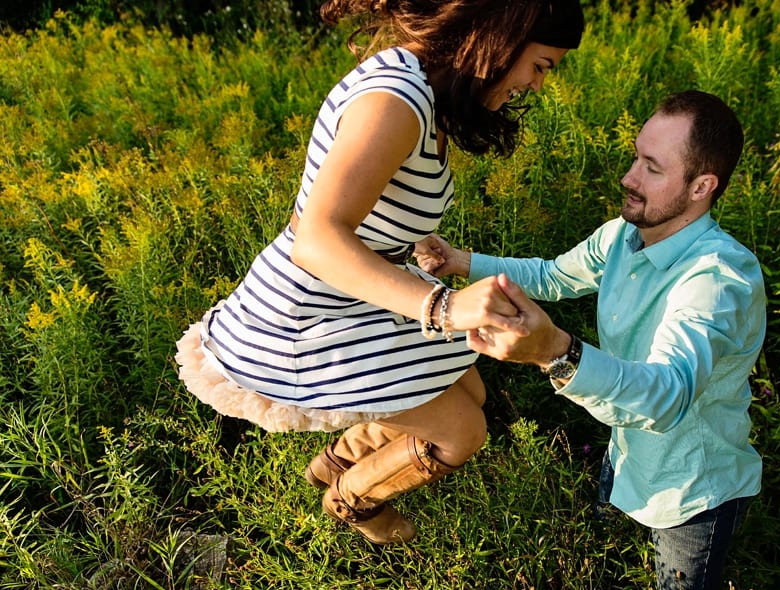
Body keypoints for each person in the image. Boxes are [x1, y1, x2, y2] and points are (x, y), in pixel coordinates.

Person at [174, 0, 585, 546]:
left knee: (468, 387)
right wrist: (443, 307)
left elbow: (369, 195)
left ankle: (333, 466)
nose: (535, 85)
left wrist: (409, 237)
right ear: (503, 34)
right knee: (464, 432)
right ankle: (353, 504)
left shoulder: (422, 86)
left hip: (353, 291)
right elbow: (317, 238)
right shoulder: (396, 99)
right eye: (541, 65)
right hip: (308, 309)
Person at [415, 90, 766, 590]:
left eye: (652, 168)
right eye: (635, 157)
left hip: (691, 489)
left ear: (702, 188)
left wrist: (556, 351)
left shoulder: (717, 277)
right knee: (605, 571)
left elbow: (669, 395)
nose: (629, 177)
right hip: (624, 456)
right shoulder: (623, 237)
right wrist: (461, 261)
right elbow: (555, 275)